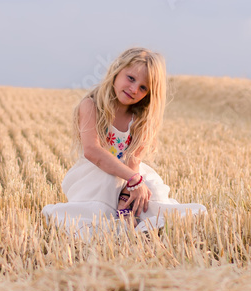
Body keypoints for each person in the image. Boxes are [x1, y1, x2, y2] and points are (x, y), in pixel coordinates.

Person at [42, 47, 207, 238]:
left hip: (130, 173)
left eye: (143, 88)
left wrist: (129, 194)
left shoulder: (140, 118)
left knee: (149, 193)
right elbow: (92, 151)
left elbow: (133, 161)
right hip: (97, 172)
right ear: (117, 70)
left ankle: (133, 221)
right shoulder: (91, 105)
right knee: (108, 183)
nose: (134, 89)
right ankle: (112, 225)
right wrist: (133, 180)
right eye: (131, 78)